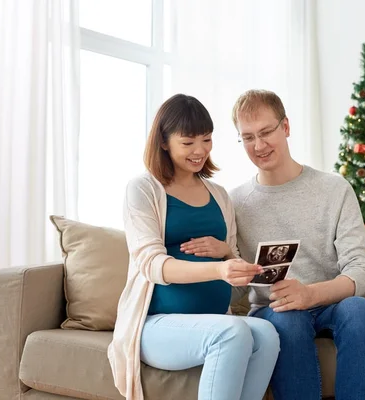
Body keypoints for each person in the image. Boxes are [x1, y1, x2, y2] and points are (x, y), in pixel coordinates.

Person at [107, 94, 280, 400]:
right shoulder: (143, 189)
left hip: (215, 317)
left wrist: (228, 256)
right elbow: (152, 265)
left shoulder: (219, 195)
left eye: (207, 139)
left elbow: (234, 278)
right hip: (157, 325)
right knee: (232, 332)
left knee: (266, 334)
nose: (200, 151)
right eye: (188, 142)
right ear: (164, 141)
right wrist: (218, 268)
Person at [230, 89, 365, 399]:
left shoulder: (333, 189)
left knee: (362, 311)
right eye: (248, 137)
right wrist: (223, 259)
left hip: (332, 303)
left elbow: (362, 271)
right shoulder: (234, 203)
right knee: (288, 317)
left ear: (285, 127)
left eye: (266, 132)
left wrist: (310, 294)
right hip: (273, 311)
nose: (259, 145)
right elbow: (234, 291)